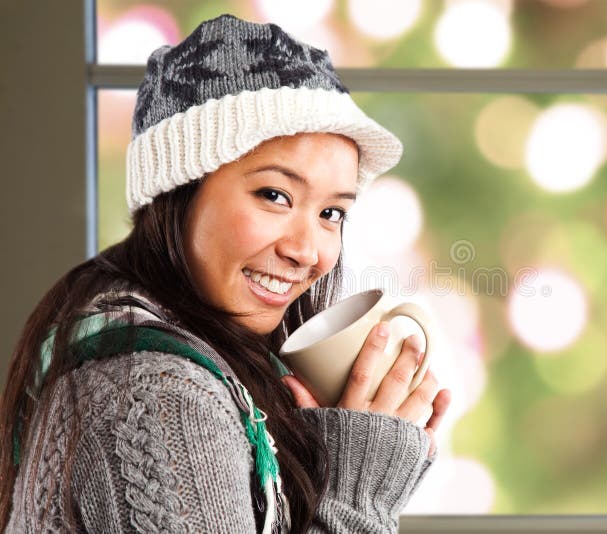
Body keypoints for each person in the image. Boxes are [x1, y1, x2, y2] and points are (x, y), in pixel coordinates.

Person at [0, 14, 450, 533]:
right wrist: (358, 491)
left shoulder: (155, 348)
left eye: (331, 213)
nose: (308, 252)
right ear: (178, 191)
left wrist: (344, 448)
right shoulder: (158, 397)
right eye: (274, 196)